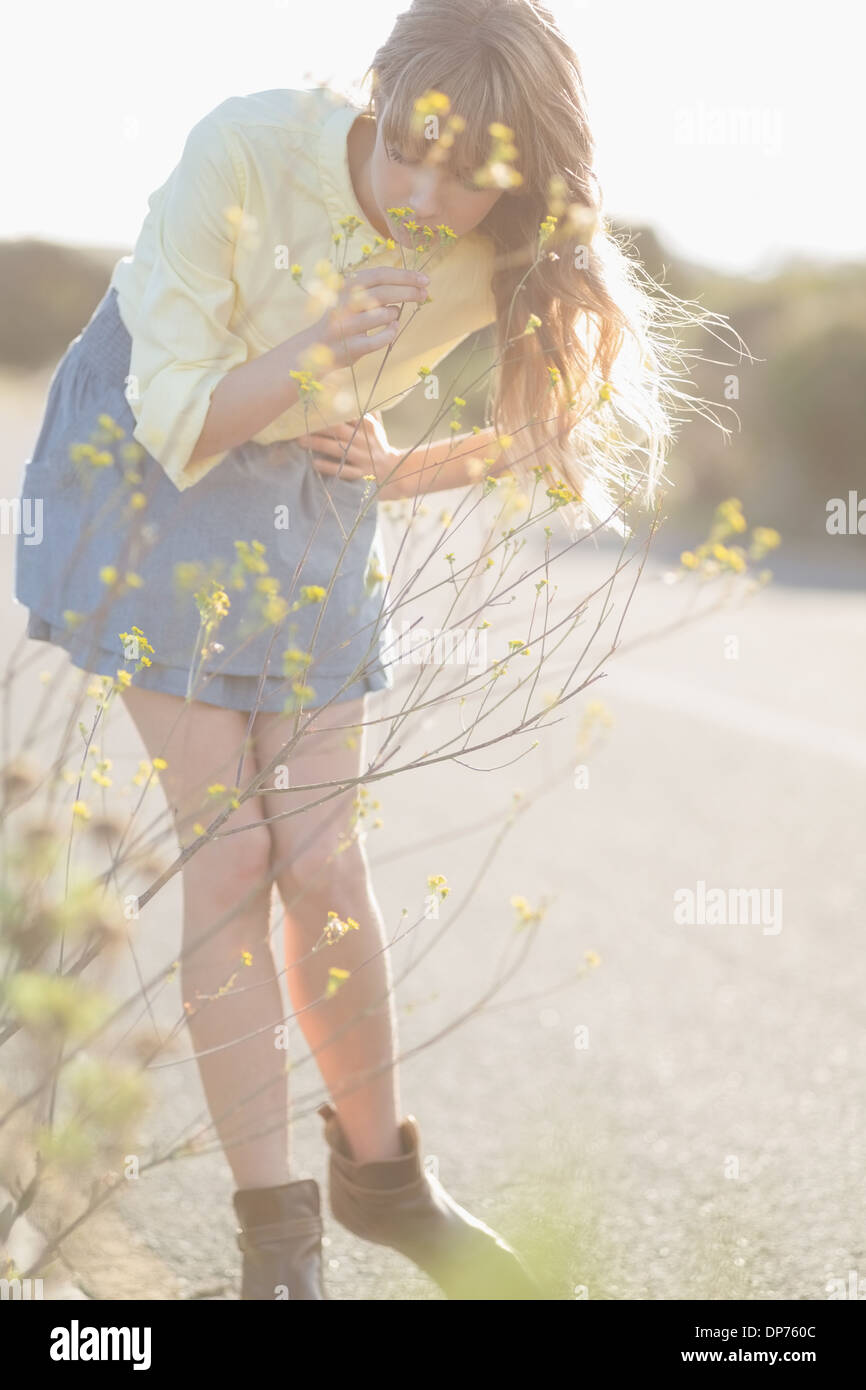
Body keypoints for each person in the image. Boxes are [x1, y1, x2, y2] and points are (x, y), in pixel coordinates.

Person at [13, 0, 683, 1300]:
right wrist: (317, 342)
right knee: (236, 852)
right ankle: (279, 1241)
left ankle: (385, 1183)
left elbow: (569, 419)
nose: (424, 195)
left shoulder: (512, 246)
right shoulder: (249, 149)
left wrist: (400, 466)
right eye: (406, 149)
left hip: (310, 476)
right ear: (375, 93)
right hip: (159, 441)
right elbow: (177, 415)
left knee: (322, 854)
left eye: (466, 175)